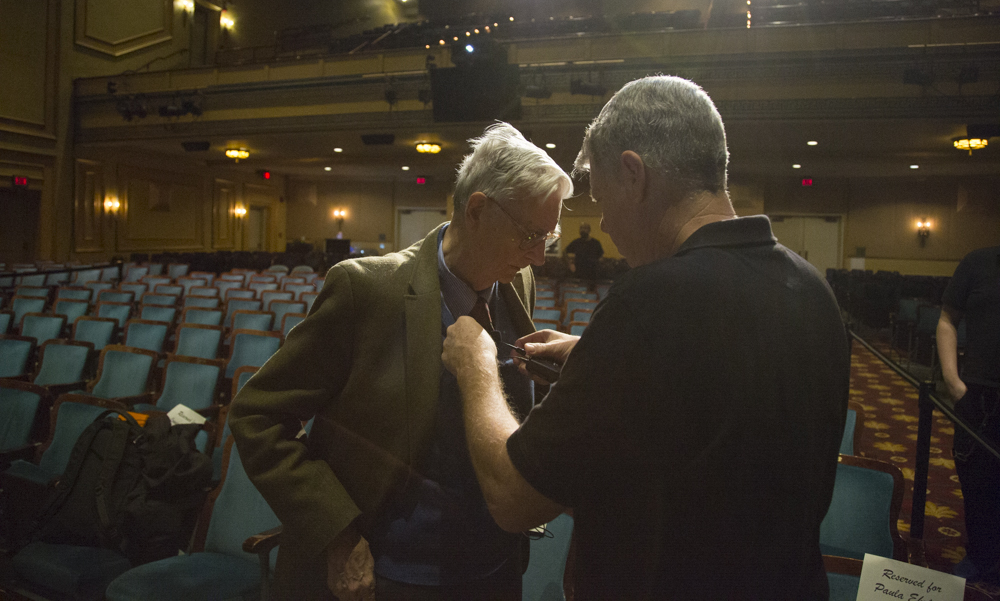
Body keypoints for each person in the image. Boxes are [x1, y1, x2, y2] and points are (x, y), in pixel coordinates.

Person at [442, 75, 850, 600]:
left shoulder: (650, 301)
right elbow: (716, 414)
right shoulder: (812, 288)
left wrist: (476, 366)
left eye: (603, 197)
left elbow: (513, 497)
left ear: (633, 174)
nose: (606, 223)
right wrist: (597, 359)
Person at [229, 122, 573, 601]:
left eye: (548, 236)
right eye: (529, 235)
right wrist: (338, 533)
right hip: (389, 575)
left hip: (495, 566)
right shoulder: (365, 289)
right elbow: (258, 415)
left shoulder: (516, 280)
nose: (539, 256)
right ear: (478, 211)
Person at [937, 244, 1000, 585]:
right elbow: (947, 319)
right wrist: (953, 381)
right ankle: (980, 554)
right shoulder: (977, 262)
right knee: (976, 479)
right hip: (977, 393)